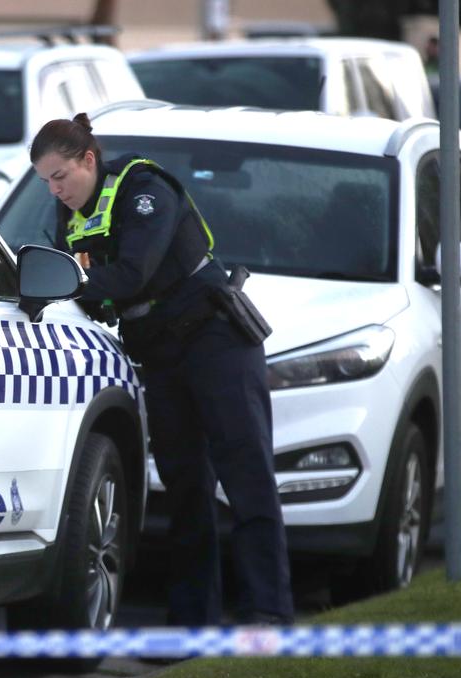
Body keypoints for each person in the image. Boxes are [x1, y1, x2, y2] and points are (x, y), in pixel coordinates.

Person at [30, 113, 294, 626]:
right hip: (161, 354)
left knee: (247, 475)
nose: (55, 190)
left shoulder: (145, 190)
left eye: (60, 177)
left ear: (89, 160)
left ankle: (270, 610)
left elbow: (130, 274)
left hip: (215, 341)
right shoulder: (72, 215)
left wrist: (72, 285)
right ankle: (193, 620)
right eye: (46, 181)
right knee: (184, 486)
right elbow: (85, 284)